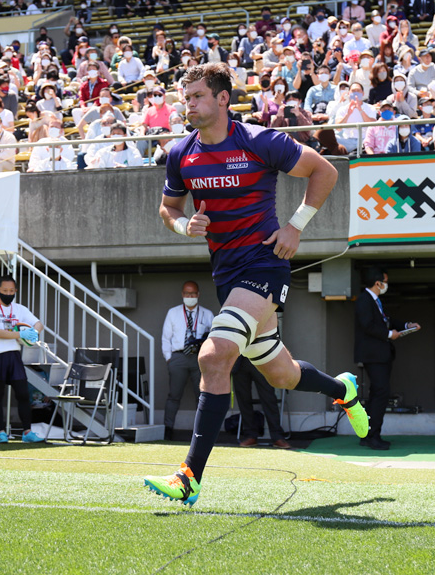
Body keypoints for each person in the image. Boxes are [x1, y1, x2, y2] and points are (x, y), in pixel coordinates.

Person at [145, 63, 370, 506]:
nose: (188, 104)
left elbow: (325, 171)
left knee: (214, 355)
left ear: (222, 98)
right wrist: (183, 226)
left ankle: (189, 477)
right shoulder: (180, 153)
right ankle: (343, 389)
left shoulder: (260, 140)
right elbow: (167, 208)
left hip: (266, 264)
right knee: (283, 375)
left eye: (196, 96)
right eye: (185, 97)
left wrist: (295, 226)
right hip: (227, 276)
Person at [354, 267, 420, 450]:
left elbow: (387, 321)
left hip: (379, 355)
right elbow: (368, 326)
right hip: (374, 355)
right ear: (378, 283)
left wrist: (406, 325)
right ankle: (372, 436)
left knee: (377, 393)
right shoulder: (364, 300)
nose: (386, 285)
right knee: (381, 393)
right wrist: (390, 334)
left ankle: (367, 434)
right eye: (385, 281)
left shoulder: (374, 301)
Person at [0, 275, 45, 444]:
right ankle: (1, 432)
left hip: (14, 355)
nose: (8, 294)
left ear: (15, 291)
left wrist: (34, 332)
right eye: (5, 290)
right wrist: (21, 334)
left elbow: (39, 323)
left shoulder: (20, 309)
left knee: (23, 393)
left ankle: (27, 432)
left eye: (11, 291)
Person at [160, 281, 214, 441]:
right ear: (182, 294)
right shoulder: (173, 313)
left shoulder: (207, 314)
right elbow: (166, 337)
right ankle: (168, 429)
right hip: (178, 357)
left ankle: (202, 431)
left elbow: (213, 336)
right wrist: (169, 358)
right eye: (187, 294)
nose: (190, 297)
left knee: (202, 395)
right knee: (174, 395)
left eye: (193, 294)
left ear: (198, 294)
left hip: (199, 358)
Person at [232, 356, 291, 448]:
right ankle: (250, 435)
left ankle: (277, 436)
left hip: (261, 358)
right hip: (238, 360)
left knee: (269, 398)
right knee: (243, 399)